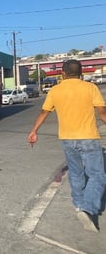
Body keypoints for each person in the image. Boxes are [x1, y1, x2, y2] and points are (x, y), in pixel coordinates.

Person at [28, 59, 106, 233]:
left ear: (63, 73)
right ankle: (88, 208)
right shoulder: (91, 88)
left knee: (76, 174)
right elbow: (103, 114)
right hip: (89, 138)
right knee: (98, 175)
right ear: (81, 73)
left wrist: (34, 131)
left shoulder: (55, 90)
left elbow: (44, 112)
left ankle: (79, 205)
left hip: (67, 140)